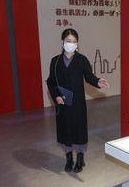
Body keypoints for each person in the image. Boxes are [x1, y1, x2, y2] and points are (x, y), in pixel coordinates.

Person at [45, 28, 109, 173]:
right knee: (65, 130)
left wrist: (97, 82)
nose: (71, 44)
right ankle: (69, 159)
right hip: (62, 103)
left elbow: (89, 77)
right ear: (62, 42)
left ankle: (80, 159)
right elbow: (50, 82)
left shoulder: (82, 60)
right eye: (68, 41)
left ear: (77, 43)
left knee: (79, 130)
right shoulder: (55, 61)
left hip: (78, 103)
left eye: (74, 41)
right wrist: (56, 96)